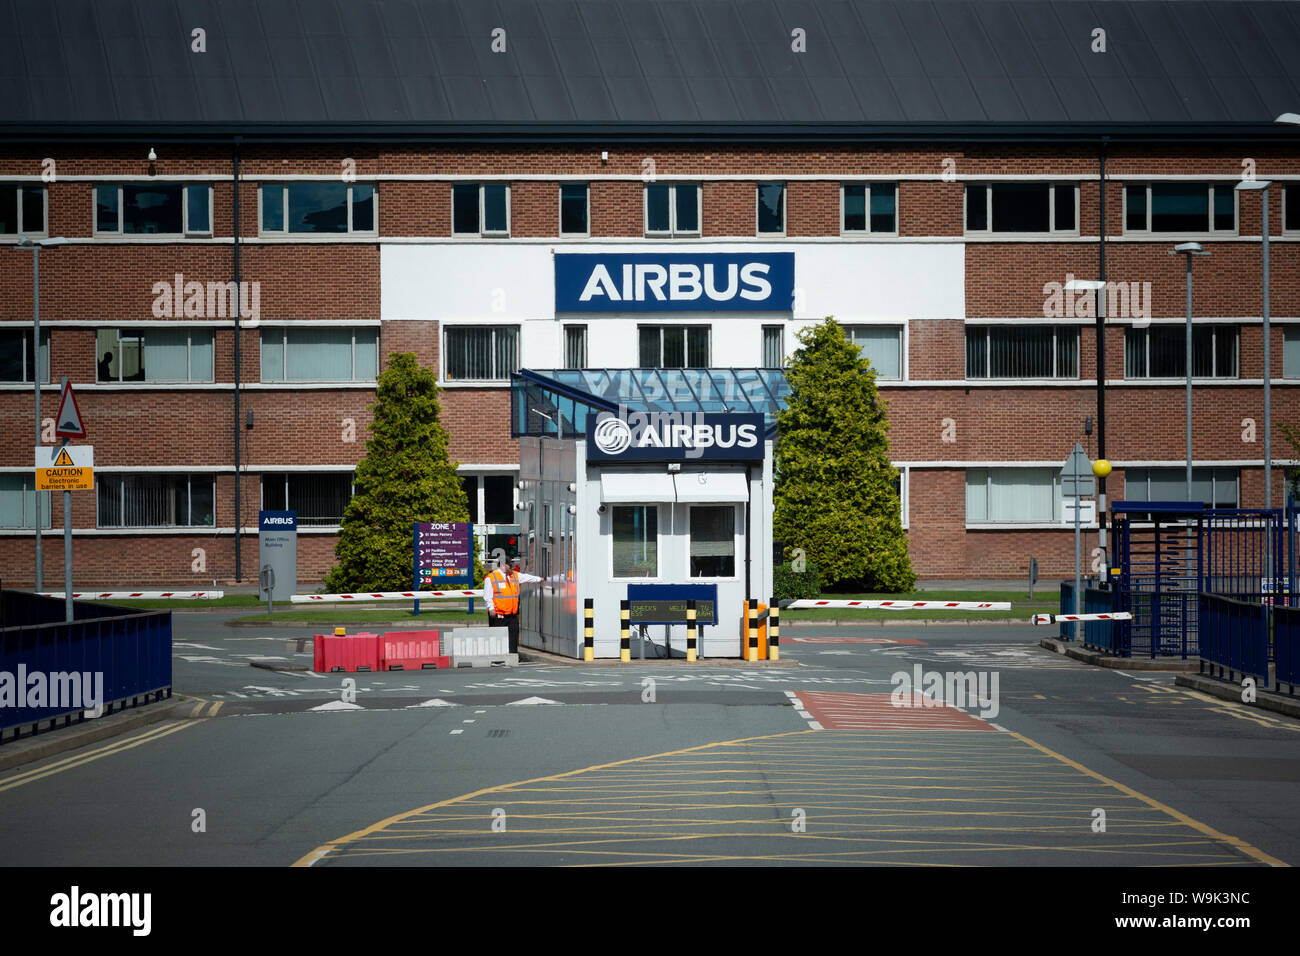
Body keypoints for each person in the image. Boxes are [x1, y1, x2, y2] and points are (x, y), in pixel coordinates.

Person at [484, 555, 541, 654]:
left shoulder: (513, 575)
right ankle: (497, 657)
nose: (511, 567)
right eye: (510, 565)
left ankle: (513, 656)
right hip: (498, 613)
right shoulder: (491, 577)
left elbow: (526, 577)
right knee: (498, 637)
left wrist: (540, 579)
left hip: (512, 613)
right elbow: (487, 595)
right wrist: (491, 608)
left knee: (513, 634)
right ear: (503, 565)